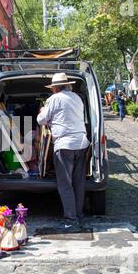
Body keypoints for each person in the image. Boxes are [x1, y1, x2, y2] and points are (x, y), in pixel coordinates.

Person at [37, 73, 90, 231]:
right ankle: (79, 216)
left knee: (65, 184)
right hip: (81, 143)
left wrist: (42, 110)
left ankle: (71, 220)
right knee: (78, 183)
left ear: (55, 87)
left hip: (64, 145)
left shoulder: (54, 99)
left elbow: (41, 120)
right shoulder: (77, 98)